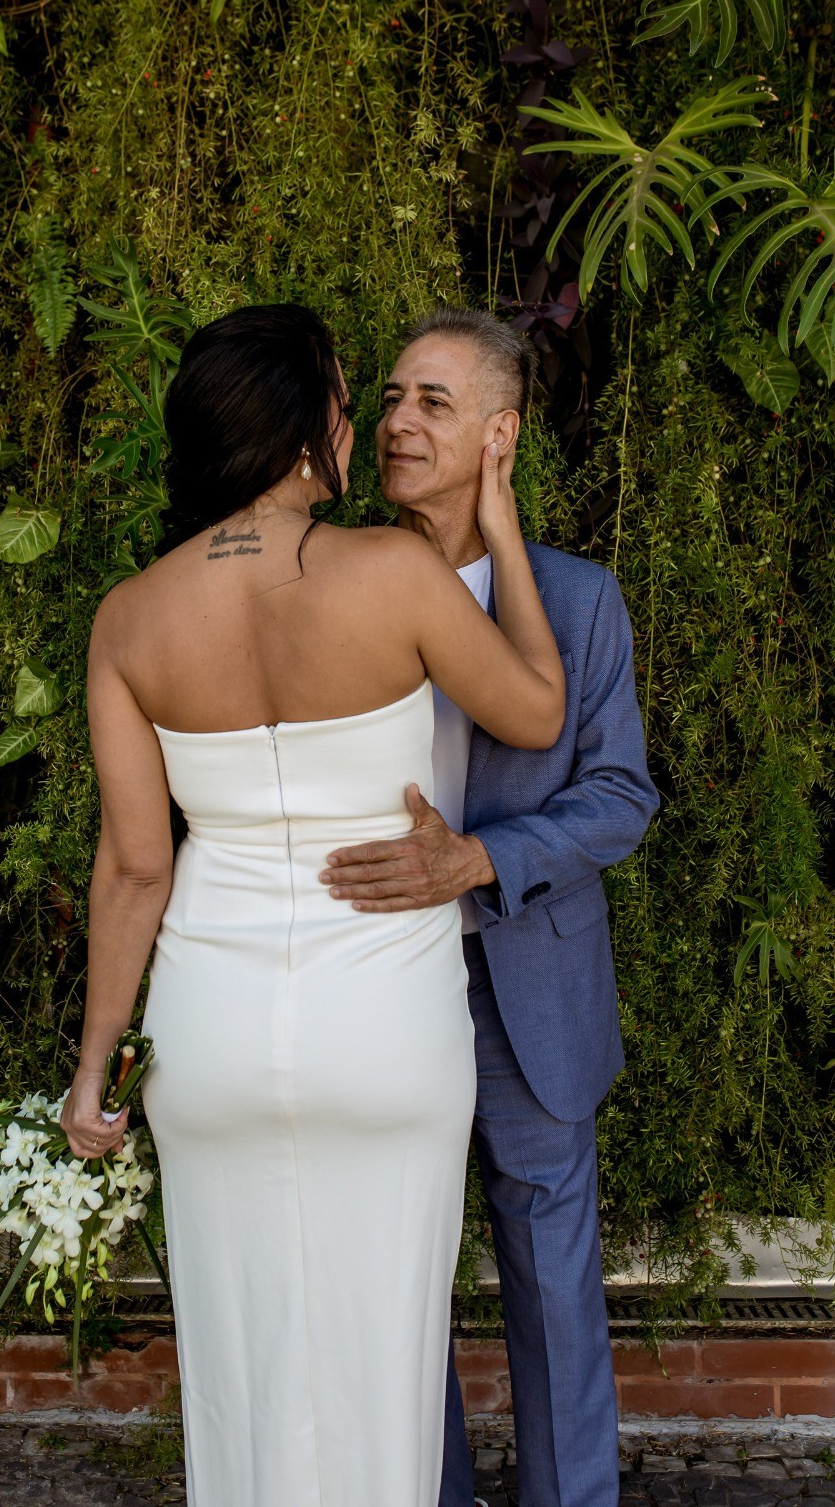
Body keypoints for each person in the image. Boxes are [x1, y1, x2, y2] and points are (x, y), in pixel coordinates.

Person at [60, 302, 566, 1507]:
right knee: (380, 1362)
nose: (357, 425)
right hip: (383, 1020)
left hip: (212, 1034)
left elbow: (136, 867)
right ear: (301, 436)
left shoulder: (130, 617)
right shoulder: (391, 571)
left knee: (240, 1362)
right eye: (345, 402)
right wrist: (501, 526)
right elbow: (538, 711)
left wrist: (93, 1071)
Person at [319, 308, 660, 1507]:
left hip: (528, 982)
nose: (398, 421)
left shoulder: (578, 599)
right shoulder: (328, 582)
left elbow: (619, 795)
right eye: (389, 398)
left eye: (434, 402)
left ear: (500, 436)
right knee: (393, 1283)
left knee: (555, 1287)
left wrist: (478, 859)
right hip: (374, 977)